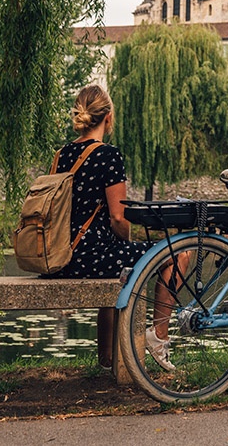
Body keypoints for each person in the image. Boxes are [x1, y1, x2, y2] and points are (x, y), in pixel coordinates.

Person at [46, 84, 177, 371]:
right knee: (176, 254)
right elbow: (119, 218)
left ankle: (106, 360)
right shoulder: (108, 155)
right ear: (108, 118)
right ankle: (158, 338)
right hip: (90, 256)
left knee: (114, 269)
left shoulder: (61, 155)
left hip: (61, 257)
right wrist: (126, 243)